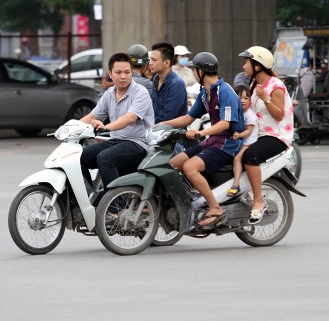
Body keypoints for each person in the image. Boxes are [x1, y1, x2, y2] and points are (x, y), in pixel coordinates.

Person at [162, 52, 245, 227]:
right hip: (212, 141)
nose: (193, 72)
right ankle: (190, 200)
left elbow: (224, 124)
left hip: (228, 144)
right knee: (170, 164)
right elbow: (187, 119)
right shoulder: (204, 93)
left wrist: (201, 132)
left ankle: (215, 208)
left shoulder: (225, 91)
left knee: (190, 167)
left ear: (200, 72)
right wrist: (161, 125)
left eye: (194, 69)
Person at [80, 52, 155, 206]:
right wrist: (68, 128)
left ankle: (116, 207)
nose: (123, 77)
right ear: (110, 74)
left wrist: (105, 128)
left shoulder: (140, 92)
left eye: (127, 72)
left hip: (138, 144)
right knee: (78, 157)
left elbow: (130, 118)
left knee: (105, 158)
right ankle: (90, 200)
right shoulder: (109, 93)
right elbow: (93, 116)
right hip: (117, 141)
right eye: (118, 72)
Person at [238, 46, 294, 224]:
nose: (243, 66)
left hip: (276, 137)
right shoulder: (255, 86)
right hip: (257, 134)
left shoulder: (275, 86)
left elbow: (279, 115)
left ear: (257, 65)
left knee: (250, 156)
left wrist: (265, 98)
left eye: (246, 62)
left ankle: (258, 201)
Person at [227, 84, 258, 196]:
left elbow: (249, 131)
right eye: (240, 98)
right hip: (240, 142)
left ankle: (236, 184)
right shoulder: (237, 112)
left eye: (246, 98)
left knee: (236, 158)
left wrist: (239, 135)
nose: (243, 101)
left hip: (248, 143)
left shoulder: (250, 115)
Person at [147, 42, 188, 123]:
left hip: (173, 133)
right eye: (150, 59)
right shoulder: (156, 79)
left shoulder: (176, 84)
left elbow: (167, 116)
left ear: (166, 63)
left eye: (154, 60)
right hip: (156, 130)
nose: (150, 63)